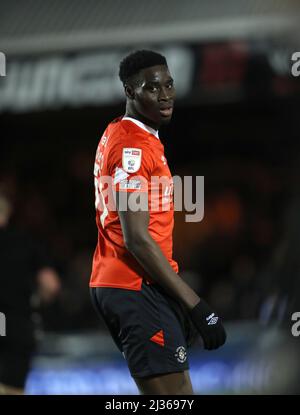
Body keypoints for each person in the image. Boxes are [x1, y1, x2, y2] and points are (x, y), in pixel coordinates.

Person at [90, 50, 226, 395]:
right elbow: (136, 238)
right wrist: (194, 303)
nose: (165, 95)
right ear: (130, 91)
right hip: (135, 285)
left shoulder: (126, 134)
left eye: (169, 84)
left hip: (133, 284)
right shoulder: (133, 148)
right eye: (152, 88)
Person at [0, 190, 61, 394]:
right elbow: (50, 284)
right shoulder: (25, 240)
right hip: (16, 324)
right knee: (13, 387)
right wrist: (37, 301)